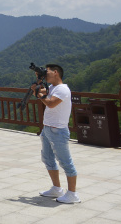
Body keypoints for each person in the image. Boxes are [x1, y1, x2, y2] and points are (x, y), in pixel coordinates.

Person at [34, 64, 79, 204]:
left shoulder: (62, 89)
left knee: (66, 162)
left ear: (55, 72)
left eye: (46, 72)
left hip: (58, 130)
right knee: (47, 158)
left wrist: (39, 95)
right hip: (47, 128)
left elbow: (51, 104)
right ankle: (56, 188)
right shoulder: (52, 88)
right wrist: (38, 83)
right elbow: (43, 94)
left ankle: (72, 194)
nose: (45, 74)